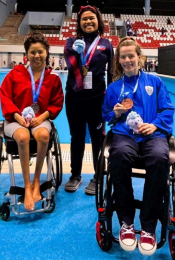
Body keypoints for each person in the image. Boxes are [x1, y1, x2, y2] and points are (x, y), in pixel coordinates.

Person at [102, 37, 174, 256]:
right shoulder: (114, 88)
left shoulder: (155, 82)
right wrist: (114, 114)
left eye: (131, 56)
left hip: (152, 135)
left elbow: (167, 110)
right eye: (123, 57)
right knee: (119, 155)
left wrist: (154, 125)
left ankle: (149, 227)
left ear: (139, 57)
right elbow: (106, 115)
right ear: (118, 60)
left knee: (160, 158)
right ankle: (126, 222)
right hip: (126, 135)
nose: (127, 60)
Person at [0, 33, 64, 211]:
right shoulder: (15, 75)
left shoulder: (54, 78)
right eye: (33, 52)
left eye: (40, 52)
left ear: (47, 53)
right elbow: (5, 97)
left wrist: (41, 118)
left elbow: (57, 103)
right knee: (22, 136)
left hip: (40, 119)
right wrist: (18, 116)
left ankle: (37, 181)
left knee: (43, 135)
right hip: (15, 119)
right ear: (26, 54)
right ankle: (27, 186)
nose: (37, 56)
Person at [64, 5, 113, 195]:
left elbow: (111, 74)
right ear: (79, 23)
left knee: (97, 139)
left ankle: (98, 176)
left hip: (97, 100)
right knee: (76, 137)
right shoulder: (71, 42)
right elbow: (70, 62)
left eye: (91, 18)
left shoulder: (106, 44)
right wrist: (77, 52)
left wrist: (110, 98)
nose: (88, 22)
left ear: (98, 21)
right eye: (84, 19)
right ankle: (75, 174)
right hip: (74, 99)